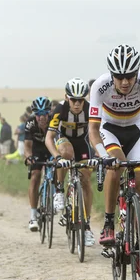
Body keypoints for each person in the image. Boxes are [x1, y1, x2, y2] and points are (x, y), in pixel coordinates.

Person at [88, 44, 140, 279]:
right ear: (112, 75)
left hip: (136, 131)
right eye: (119, 77)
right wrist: (102, 155)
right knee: (115, 166)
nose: (125, 82)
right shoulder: (100, 86)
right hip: (110, 130)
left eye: (130, 76)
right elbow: (94, 130)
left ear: (137, 73)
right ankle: (108, 222)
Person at [45, 78, 95, 246]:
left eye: (80, 100)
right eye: (73, 99)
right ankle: (59, 190)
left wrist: (98, 156)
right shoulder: (60, 109)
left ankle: (86, 226)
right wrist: (57, 157)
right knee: (66, 152)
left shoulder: (89, 109)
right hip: (64, 139)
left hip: (83, 141)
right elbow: (49, 138)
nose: (77, 104)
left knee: (86, 179)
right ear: (67, 98)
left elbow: (97, 134)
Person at [24, 97, 52, 231]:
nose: (42, 118)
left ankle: (55, 197)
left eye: (45, 114)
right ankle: (33, 216)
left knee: (57, 171)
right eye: (39, 114)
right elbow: (27, 146)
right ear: (35, 115)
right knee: (35, 176)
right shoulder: (30, 123)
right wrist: (29, 157)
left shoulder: (54, 121)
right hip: (37, 150)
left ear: (49, 113)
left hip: (51, 148)